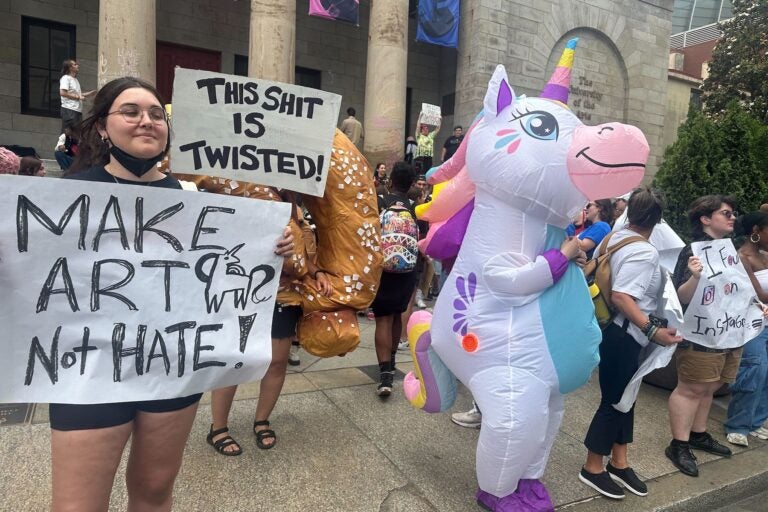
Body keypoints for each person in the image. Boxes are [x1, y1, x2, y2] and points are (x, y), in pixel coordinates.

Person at [53, 76, 294, 510]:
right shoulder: (64, 196)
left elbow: (226, 276)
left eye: (156, 114)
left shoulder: (197, 199)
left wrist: (272, 249)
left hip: (170, 367)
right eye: (131, 111)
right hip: (87, 372)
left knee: (155, 490)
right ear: (103, 127)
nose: (146, 120)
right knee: (77, 505)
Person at [579, 188, 682, 500]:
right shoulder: (644, 251)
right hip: (624, 334)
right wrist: (653, 331)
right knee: (614, 400)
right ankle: (593, 466)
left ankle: (619, 461)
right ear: (658, 219)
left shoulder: (615, 237)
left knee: (627, 395)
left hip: (609, 328)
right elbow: (624, 296)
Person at [207, 205, 333, 455]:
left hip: (285, 297)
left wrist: (316, 271)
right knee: (235, 360)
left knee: (277, 361)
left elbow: (302, 256)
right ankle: (218, 427)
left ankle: (262, 420)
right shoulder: (246, 195)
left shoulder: (296, 207)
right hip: (244, 291)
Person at [666, 195, 741, 477]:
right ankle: (679, 444)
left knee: (709, 386)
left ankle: (698, 434)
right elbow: (680, 296)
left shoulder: (726, 249)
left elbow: (733, 290)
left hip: (726, 331)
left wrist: (753, 306)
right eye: (726, 213)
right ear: (705, 219)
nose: (733, 217)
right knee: (691, 388)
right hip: (700, 334)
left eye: (733, 213)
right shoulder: (694, 251)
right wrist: (695, 278)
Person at [373, 161, 418, 397]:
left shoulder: (380, 203)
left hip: (383, 269)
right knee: (398, 314)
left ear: (390, 181)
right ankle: (391, 361)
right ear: (411, 184)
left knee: (383, 319)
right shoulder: (415, 207)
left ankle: (385, 375)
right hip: (408, 270)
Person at [724, 212, 768, 446]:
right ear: (756, 231)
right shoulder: (741, 257)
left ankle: (756, 421)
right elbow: (757, 294)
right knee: (754, 369)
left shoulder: (765, 255)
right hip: (752, 323)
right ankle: (738, 424)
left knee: (767, 373)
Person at [59, 59, 94, 132]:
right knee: (68, 135)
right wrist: (78, 97)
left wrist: (89, 93)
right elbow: (62, 93)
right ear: (70, 68)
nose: (77, 65)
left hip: (76, 110)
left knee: (76, 134)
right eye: (75, 64)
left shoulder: (75, 80)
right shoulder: (66, 78)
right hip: (69, 110)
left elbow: (77, 94)